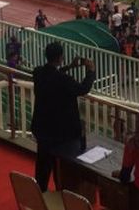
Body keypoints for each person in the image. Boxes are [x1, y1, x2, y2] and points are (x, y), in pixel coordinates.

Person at [31, 42, 95, 192]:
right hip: (62, 132)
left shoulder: (38, 73)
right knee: (62, 167)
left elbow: (52, 74)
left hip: (42, 127)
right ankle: (63, 195)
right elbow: (83, 89)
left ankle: (40, 195)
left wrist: (70, 67)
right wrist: (91, 71)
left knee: (43, 165)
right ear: (61, 57)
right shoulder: (64, 80)